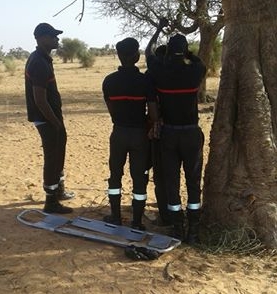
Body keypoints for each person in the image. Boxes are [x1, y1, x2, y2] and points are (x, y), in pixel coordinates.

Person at [146, 23, 206, 244]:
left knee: (172, 181)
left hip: (169, 134)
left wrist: (158, 31)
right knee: (193, 182)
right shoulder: (195, 71)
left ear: (169, 51)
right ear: (186, 50)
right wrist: (187, 53)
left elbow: (148, 52)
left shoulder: (159, 71)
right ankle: (194, 231)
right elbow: (200, 62)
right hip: (191, 133)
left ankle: (177, 228)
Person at [102, 37, 159, 230]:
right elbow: (153, 111)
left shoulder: (109, 81)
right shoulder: (145, 81)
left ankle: (115, 217)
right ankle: (136, 221)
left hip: (118, 132)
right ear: (136, 56)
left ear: (119, 56)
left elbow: (111, 110)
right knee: (139, 178)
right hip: (139, 135)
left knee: (115, 176)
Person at [25, 23, 74, 214]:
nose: (57, 39)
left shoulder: (43, 59)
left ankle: (59, 191)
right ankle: (51, 201)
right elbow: (40, 99)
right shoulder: (38, 62)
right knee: (52, 156)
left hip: (51, 118)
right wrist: (55, 123)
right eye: (53, 36)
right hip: (46, 119)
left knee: (58, 151)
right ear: (42, 38)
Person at [144, 18, 171, 226]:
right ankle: (172, 211)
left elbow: (148, 50)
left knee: (159, 174)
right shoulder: (178, 73)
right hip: (175, 129)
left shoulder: (152, 74)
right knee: (172, 173)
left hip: (155, 130)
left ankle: (164, 214)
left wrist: (159, 28)